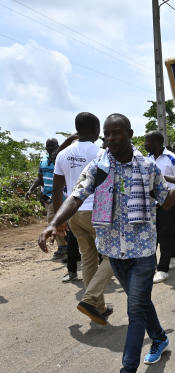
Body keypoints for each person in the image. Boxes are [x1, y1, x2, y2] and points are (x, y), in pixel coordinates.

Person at [39, 113, 175, 373]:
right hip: (113, 250)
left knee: (135, 310)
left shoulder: (147, 167)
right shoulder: (98, 167)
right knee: (141, 302)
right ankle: (159, 338)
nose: (110, 139)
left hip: (143, 251)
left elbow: (166, 200)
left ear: (130, 134)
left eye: (117, 133)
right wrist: (53, 223)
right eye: (107, 135)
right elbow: (76, 196)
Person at [53, 113, 115, 324]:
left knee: (88, 258)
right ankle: (89, 299)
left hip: (72, 213)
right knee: (113, 257)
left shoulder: (63, 154)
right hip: (96, 212)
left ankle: (99, 307)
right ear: (97, 130)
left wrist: (58, 220)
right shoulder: (101, 152)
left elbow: (57, 190)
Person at [144, 131, 175, 283]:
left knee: (165, 235)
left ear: (157, 143)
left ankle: (163, 269)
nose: (144, 145)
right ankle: (173, 254)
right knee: (154, 235)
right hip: (151, 204)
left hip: (168, 203)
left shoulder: (172, 159)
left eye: (147, 142)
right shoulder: (146, 159)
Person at [27, 138, 67, 258]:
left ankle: (64, 247)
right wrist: (31, 190)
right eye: (48, 147)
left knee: (54, 220)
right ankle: (66, 247)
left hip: (60, 196)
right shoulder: (43, 161)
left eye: (52, 146)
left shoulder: (60, 160)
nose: (50, 149)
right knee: (55, 221)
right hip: (48, 196)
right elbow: (40, 178)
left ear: (58, 146)